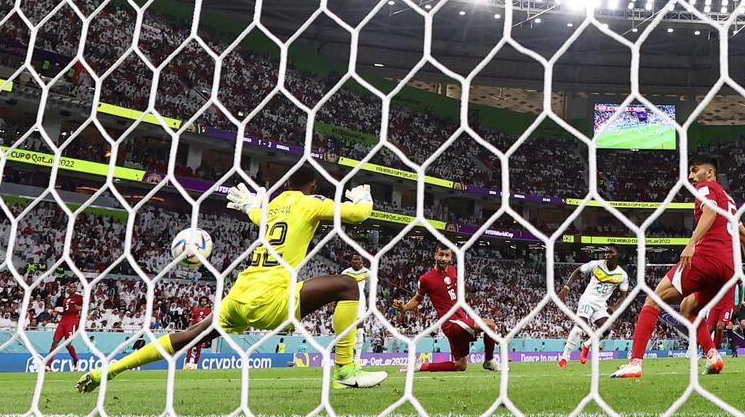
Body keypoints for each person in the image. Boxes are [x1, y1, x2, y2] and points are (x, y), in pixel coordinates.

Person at [76, 166, 387, 392]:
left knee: (189, 336)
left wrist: (252, 204)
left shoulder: (275, 205)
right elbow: (358, 216)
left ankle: (110, 370)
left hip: (238, 296)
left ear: (289, 182)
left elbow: (257, 215)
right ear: (313, 184)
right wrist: (365, 200)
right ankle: (345, 368)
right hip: (272, 300)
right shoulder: (310, 202)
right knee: (348, 285)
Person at [612, 155, 745, 378]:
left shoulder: (705, 188)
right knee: (688, 308)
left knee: (653, 300)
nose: (691, 176)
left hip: (706, 258)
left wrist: (691, 243)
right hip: (728, 270)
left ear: (710, 173)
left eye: (695, 170)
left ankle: (635, 362)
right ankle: (713, 356)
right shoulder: (730, 201)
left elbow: (710, 211)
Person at [393, 245, 500, 373]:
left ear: (451, 258)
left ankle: (421, 366)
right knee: (490, 325)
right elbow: (417, 299)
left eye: (447, 255)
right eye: (441, 255)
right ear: (435, 255)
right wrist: (404, 308)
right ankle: (489, 360)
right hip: (450, 323)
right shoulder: (426, 279)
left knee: (460, 365)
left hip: (461, 319)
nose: (443, 258)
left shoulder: (453, 270)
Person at [558, 245, 629, 368]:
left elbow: (623, 295)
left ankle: (586, 345)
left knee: (607, 329)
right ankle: (565, 357)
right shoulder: (596, 264)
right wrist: (566, 287)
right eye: (606, 252)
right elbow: (578, 270)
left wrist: (615, 307)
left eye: (610, 252)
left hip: (601, 305)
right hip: (587, 300)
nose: (607, 254)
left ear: (617, 255)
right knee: (580, 327)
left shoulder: (622, 275)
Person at [46, 282, 82, 371]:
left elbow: (83, 307)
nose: (72, 288)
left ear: (76, 289)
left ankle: (76, 360)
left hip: (72, 321)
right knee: (54, 342)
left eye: (74, 287)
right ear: (68, 288)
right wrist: (57, 312)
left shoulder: (79, 298)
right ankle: (48, 365)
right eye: (70, 287)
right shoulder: (66, 299)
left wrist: (79, 308)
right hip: (63, 321)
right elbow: (66, 312)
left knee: (68, 344)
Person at [341, 254, 370, 365]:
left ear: (362, 261)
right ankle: (349, 356)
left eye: (358, 260)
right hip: (348, 301)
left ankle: (357, 358)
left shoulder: (367, 273)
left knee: (360, 328)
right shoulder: (345, 273)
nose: (356, 262)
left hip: (360, 301)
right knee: (349, 329)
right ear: (351, 261)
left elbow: (371, 285)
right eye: (354, 259)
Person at [184, 296, 212, 370]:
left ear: (207, 302)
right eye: (202, 301)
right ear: (200, 302)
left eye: (205, 301)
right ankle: (187, 364)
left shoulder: (209, 311)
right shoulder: (195, 311)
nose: (203, 302)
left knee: (198, 349)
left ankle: (195, 365)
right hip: (194, 331)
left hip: (202, 332)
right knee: (189, 347)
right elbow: (191, 321)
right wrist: (188, 330)